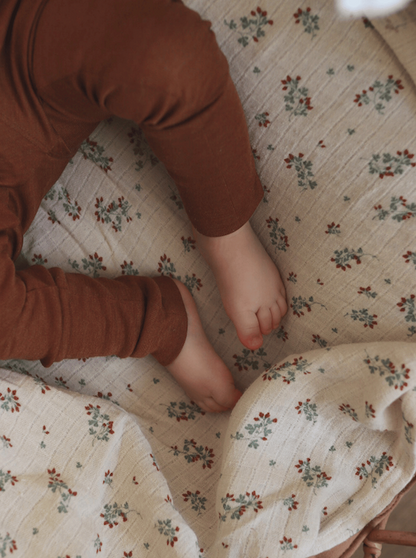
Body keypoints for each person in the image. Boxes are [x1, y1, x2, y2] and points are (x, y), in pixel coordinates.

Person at [0, 0, 287, 413]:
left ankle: (225, 231)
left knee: (170, 60)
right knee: (171, 62)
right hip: (24, 92)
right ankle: (159, 317)